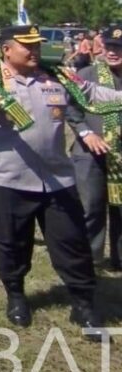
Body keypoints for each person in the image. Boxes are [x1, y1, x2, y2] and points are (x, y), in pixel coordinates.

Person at [0, 25, 122, 337]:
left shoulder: (57, 76)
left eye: (37, 45)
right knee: (12, 243)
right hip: (8, 180)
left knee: (73, 244)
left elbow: (95, 94)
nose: (34, 51)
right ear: (7, 50)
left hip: (57, 180)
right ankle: (16, 296)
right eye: (26, 46)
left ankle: (83, 305)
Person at [67, 26, 122, 271]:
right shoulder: (87, 73)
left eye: (119, 48)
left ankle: (118, 260)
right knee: (91, 207)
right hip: (90, 153)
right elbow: (70, 107)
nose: (113, 52)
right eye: (110, 47)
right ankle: (90, 261)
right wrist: (86, 133)